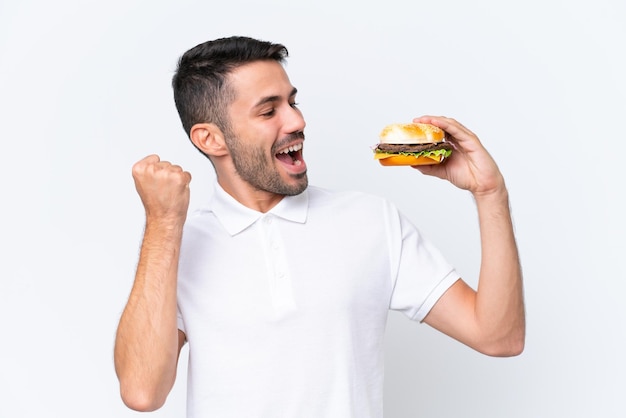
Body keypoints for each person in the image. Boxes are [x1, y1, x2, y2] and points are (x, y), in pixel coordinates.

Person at [114, 36, 525, 418]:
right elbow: (142, 392)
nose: (296, 120)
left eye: (293, 102)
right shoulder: (176, 245)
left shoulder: (370, 220)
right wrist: (164, 223)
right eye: (268, 110)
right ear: (210, 139)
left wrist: (490, 194)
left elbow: (498, 337)